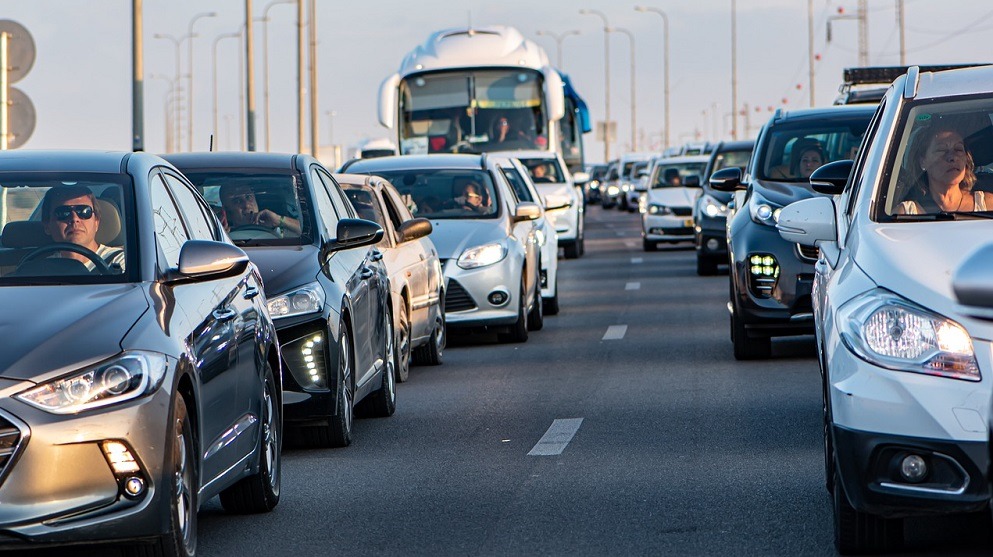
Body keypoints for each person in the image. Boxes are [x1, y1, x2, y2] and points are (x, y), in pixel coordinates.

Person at [896, 125, 993, 214]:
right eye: (941, 150)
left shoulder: (988, 205)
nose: (952, 157)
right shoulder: (905, 213)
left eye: (958, 149)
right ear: (923, 161)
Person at [41, 185, 125, 272]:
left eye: (84, 211)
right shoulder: (41, 269)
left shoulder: (122, 262)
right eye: (63, 212)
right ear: (47, 225)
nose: (74, 219)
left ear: (96, 221)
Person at [219, 182, 301, 235]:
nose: (247, 205)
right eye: (237, 201)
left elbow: (309, 234)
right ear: (226, 211)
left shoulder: (280, 229)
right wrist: (222, 235)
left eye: (248, 197)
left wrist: (279, 220)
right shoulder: (222, 237)